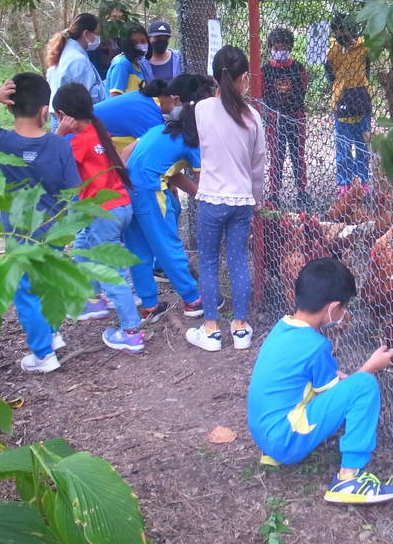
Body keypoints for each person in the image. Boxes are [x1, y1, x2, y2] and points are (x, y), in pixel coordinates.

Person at [247, 258, 393, 504]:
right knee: (364, 386)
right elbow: (353, 389)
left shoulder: (282, 329)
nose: (344, 314)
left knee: (347, 385)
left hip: (264, 434)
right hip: (284, 441)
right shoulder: (316, 345)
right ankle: (349, 479)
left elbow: (312, 384)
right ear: (332, 308)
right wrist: (370, 368)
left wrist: (338, 385)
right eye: (344, 308)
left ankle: (275, 453)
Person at [0, 74, 79, 373]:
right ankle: (53, 333)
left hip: (20, 233)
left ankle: (44, 355)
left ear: (9, 106)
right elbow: (73, 190)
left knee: (27, 290)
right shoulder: (59, 146)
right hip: (55, 229)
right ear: (46, 111)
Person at [52, 83, 144, 353]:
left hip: (105, 213)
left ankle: (130, 331)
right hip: (120, 206)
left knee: (109, 272)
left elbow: (55, 164)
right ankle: (89, 299)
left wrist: (59, 133)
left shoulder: (77, 142)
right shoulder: (97, 130)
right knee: (82, 242)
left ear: (62, 114)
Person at [190, 45, 265, 352]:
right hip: (242, 201)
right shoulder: (254, 118)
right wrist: (256, 200)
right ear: (244, 77)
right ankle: (241, 328)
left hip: (210, 199)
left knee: (208, 261)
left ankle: (210, 330)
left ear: (214, 76)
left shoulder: (201, 109)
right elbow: (258, 166)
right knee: (237, 262)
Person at [123, 75, 213, 325]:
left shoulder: (158, 130)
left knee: (137, 249)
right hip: (151, 191)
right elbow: (202, 179)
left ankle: (149, 305)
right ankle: (193, 299)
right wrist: (210, 198)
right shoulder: (192, 142)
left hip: (129, 187)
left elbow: (133, 154)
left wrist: (197, 194)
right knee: (167, 245)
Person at [261, 28, 309, 205]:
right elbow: (262, 93)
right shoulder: (265, 70)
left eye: (283, 46)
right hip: (274, 119)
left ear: (290, 47)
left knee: (298, 155)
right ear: (270, 47)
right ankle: (274, 193)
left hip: (296, 117)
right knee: (276, 156)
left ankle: (302, 192)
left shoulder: (298, 67)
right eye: (276, 46)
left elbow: (303, 89)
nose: (280, 50)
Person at [325, 12, 372, 193]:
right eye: (337, 30)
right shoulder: (333, 50)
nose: (341, 33)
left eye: (343, 29)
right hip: (342, 102)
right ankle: (344, 185)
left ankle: (363, 182)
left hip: (362, 101)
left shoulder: (364, 47)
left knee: (362, 145)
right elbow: (330, 74)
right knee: (343, 147)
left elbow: (367, 70)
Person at [45, 13, 109, 123]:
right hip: (71, 119)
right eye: (96, 34)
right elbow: (90, 96)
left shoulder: (65, 51)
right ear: (86, 34)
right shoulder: (78, 59)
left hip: (60, 116)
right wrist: (107, 85)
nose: (98, 38)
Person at [104, 24, 152, 97]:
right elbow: (115, 97)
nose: (140, 45)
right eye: (134, 43)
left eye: (143, 41)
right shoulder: (122, 64)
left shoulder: (139, 64)